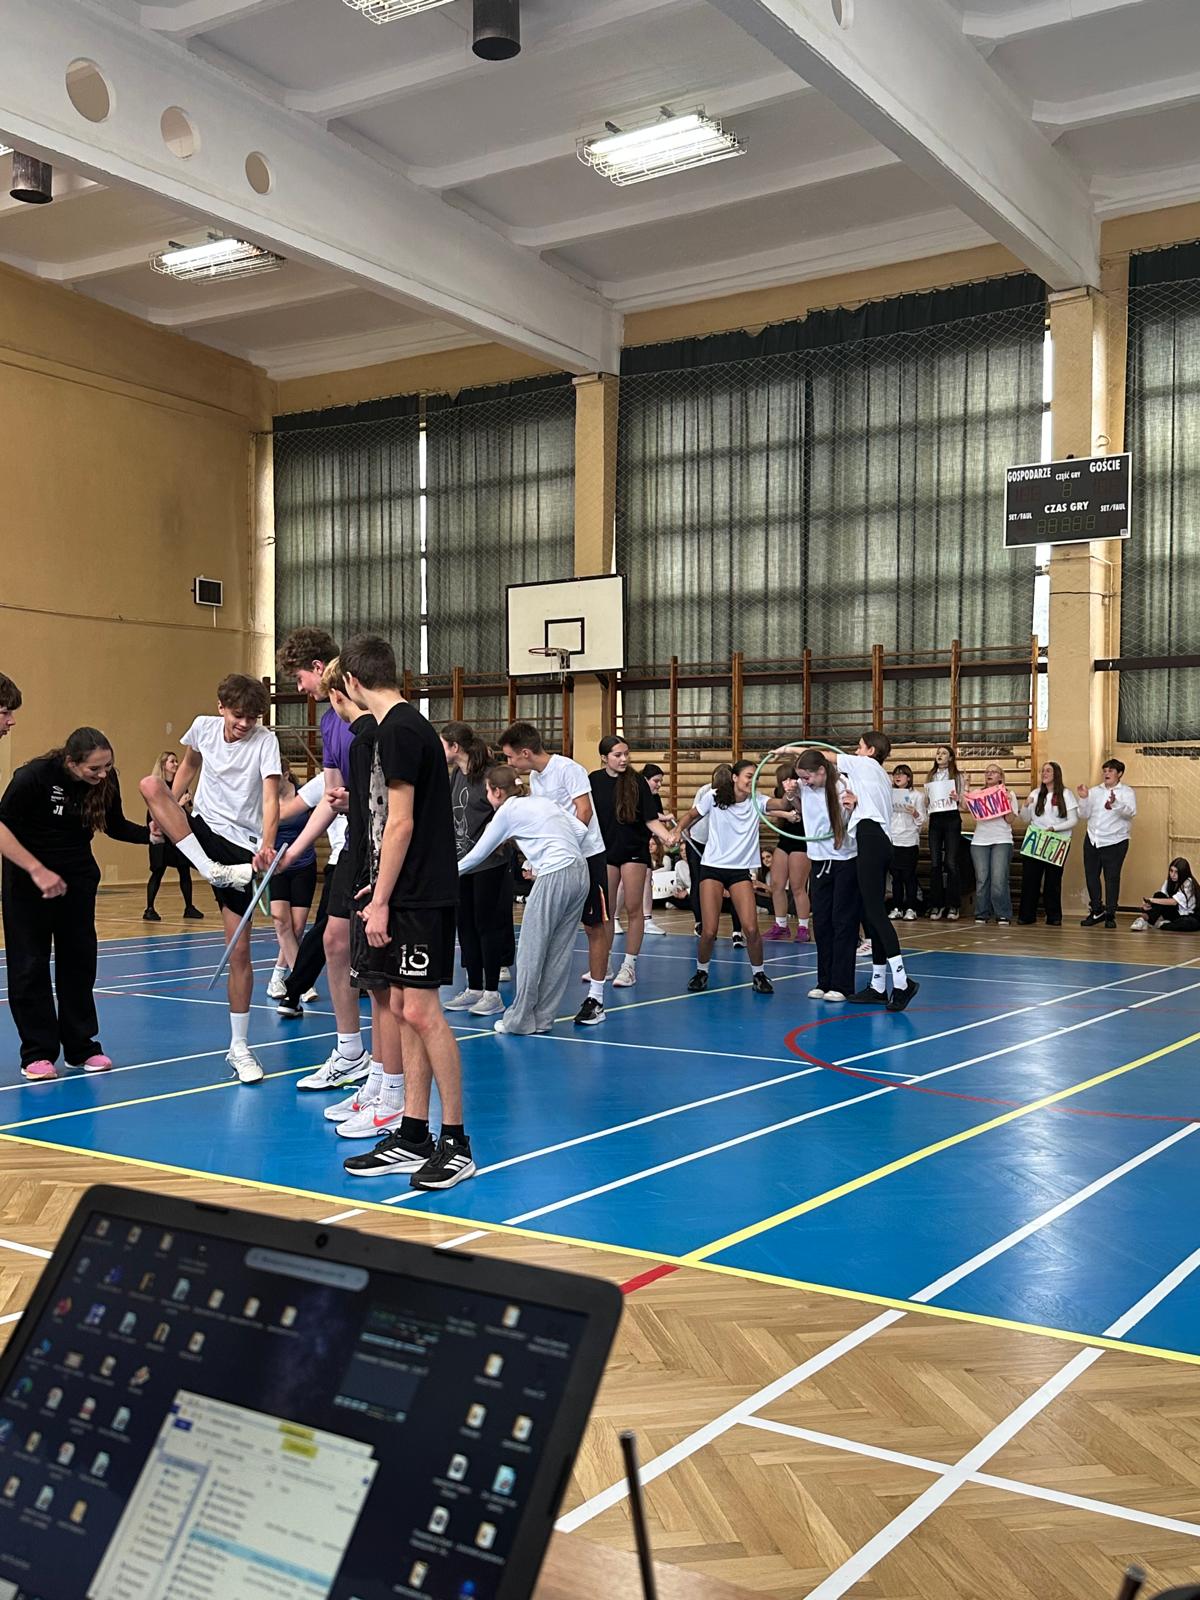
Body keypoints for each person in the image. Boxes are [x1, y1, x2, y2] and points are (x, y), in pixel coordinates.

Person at [337, 635, 475, 1190]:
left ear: (351, 681)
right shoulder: (405, 726)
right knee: (400, 1004)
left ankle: (456, 1142)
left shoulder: (397, 731)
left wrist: (380, 900)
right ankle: (414, 1134)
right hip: (407, 891)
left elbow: (400, 822)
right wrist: (381, 887)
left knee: (421, 1010)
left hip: (421, 898)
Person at [139, 674, 281, 1085]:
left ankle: (239, 1047)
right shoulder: (203, 727)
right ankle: (208, 868)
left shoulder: (265, 742)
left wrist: (267, 845)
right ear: (221, 707)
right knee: (150, 785)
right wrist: (170, 805)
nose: (245, 724)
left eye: (253, 717)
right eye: (238, 716)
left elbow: (270, 797)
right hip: (202, 829)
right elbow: (190, 764)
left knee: (239, 953)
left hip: (241, 847)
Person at [1, 729, 149, 1080]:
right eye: (94, 769)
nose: (102, 774)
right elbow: (2, 827)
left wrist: (151, 835)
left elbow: (114, 825)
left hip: (77, 880)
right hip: (28, 883)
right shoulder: (33, 777)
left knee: (79, 962)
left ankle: (81, 1047)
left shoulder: (105, 780)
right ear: (70, 762)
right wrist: (37, 870)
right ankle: (37, 1053)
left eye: (107, 766)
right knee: (29, 966)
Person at [273, 629, 369, 1091]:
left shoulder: (365, 712)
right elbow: (332, 798)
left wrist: (359, 801)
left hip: (385, 841)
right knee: (333, 940)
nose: (298, 688)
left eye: (299, 677)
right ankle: (350, 1051)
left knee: (375, 955)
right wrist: (294, 850)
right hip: (353, 843)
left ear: (317, 668)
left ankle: (389, 1076)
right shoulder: (329, 723)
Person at [458, 766, 589, 1034]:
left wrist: (445, 874)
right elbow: (580, 830)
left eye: (487, 791)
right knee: (559, 951)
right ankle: (543, 1018)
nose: (487, 796)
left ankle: (518, 1021)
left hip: (555, 874)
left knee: (531, 950)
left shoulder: (507, 811)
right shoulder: (542, 801)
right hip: (579, 871)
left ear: (497, 791)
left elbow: (478, 855)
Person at [499, 722, 610, 1028]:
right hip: (560, 862)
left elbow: (584, 811)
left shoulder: (567, 769)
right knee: (554, 933)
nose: (509, 762)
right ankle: (539, 1009)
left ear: (525, 752)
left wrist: (565, 847)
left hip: (587, 855)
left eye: (510, 756)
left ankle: (596, 998)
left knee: (593, 926)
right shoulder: (536, 778)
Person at [828, 733, 918, 1011]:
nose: (856, 751)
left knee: (876, 914)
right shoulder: (876, 775)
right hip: (879, 840)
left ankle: (902, 982)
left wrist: (788, 750)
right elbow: (868, 803)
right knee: (870, 913)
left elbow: (824, 757)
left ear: (870, 751)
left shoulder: (865, 764)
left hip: (871, 839)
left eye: (859, 747)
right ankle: (879, 985)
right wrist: (856, 804)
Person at [671, 761, 775, 995]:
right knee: (709, 931)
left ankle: (759, 974)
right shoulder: (714, 797)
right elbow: (691, 814)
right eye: (749, 775)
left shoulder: (757, 800)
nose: (753, 780)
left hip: (739, 871)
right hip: (712, 868)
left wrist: (791, 794)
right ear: (735, 777)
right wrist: (677, 830)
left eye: (756, 776)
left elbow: (779, 805)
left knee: (751, 928)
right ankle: (701, 972)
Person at [442, 720, 515, 1018]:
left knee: (487, 925)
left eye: (443, 744)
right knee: (466, 925)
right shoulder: (456, 774)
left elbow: (507, 811)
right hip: (462, 864)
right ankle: (473, 987)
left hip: (490, 863)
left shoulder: (490, 775)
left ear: (455, 746)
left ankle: (492, 992)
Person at [590, 736, 675, 989]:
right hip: (606, 851)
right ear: (604, 757)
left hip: (634, 851)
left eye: (626, 754)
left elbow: (650, 819)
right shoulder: (594, 780)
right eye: (617, 755)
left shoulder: (637, 781)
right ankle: (603, 963)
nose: (624, 759)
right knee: (606, 911)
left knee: (634, 907)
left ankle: (629, 966)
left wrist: (666, 836)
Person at [793, 749, 860, 1002]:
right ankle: (824, 980)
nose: (804, 782)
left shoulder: (843, 785)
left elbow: (857, 817)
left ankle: (842, 985)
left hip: (845, 860)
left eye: (807, 777)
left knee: (843, 922)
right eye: (801, 778)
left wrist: (854, 807)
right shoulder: (804, 786)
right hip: (819, 859)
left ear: (821, 771)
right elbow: (804, 814)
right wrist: (792, 795)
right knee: (821, 922)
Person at [266, 772, 318, 999]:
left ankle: (277, 977)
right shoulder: (265, 800)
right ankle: (302, 983)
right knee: (281, 922)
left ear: (285, 775)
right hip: (277, 868)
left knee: (296, 928)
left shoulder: (304, 796)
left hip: (304, 866)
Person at [682, 777, 745, 947]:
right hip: (700, 840)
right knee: (698, 882)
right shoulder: (707, 792)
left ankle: (737, 931)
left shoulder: (739, 794)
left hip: (725, 847)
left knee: (735, 887)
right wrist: (683, 828)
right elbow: (695, 813)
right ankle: (700, 923)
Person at [1076, 758, 1137, 928]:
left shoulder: (1127, 792)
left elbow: (1131, 813)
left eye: (1110, 771)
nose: (1106, 773)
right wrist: (1083, 799)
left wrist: (1115, 803)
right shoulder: (1094, 791)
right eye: (1104, 771)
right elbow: (1083, 815)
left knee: (1112, 878)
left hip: (1115, 840)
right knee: (1091, 876)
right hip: (1093, 839)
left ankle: (1110, 914)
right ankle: (1096, 911)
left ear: (1120, 774)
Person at [143, 751, 202, 922]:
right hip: (162, 834)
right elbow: (161, 811)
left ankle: (189, 907)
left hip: (177, 835)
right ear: (163, 765)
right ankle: (149, 908)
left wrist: (187, 806)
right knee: (158, 872)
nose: (176, 764)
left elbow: (186, 813)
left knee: (184, 870)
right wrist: (179, 804)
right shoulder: (158, 786)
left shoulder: (182, 786)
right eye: (172, 761)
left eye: (177, 761)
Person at [1019, 762, 1078, 926]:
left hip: (1056, 840)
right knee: (1030, 879)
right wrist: (1025, 806)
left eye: (1048, 771)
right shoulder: (1036, 793)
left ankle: (1053, 916)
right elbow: (1025, 818)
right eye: (1042, 771)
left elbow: (1073, 820)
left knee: (1053, 880)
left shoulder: (1066, 794)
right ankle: (1027, 915)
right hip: (1036, 839)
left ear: (1056, 774)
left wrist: (1054, 828)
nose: (1044, 773)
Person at [762, 759, 811, 943]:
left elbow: (807, 812)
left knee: (798, 887)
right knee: (777, 884)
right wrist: (786, 815)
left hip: (801, 840)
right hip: (784, 840)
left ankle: (803, 927)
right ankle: (781, 925)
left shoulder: (806, 791)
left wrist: (793, 797)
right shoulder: (778, 792)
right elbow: (768, 810)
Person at [967, 762, 1019, 927]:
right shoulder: (978, 793)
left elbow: (1010, 820)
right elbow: (965, 806)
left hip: (1002, 839)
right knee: (982, 879)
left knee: (999, 879)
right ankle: (982, 912)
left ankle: (1002, 913)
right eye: (987, 772)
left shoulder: (1009, 793)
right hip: (980, 840)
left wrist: (1007, 803)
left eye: (994, 772)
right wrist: (966, 787)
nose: (989, 774)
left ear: (1001, 777)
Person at [925, 745, 964, 920]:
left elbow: (963, 803)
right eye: (938, 753)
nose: (939, 755)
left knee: (951, 862)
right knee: (935, 863)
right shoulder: (931, 776)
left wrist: (958, 798)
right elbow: (927, 800)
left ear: (951, 758)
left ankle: (953, 904)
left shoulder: (957, 776)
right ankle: (936, 904)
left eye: (944, 753)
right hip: (935, 819)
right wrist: (927, 800)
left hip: (951, 818)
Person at [888, 764, 924, 921]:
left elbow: (922, 820)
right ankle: (897, 907)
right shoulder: (889, 794)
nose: (898, 777)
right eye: (895, 774)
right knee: (895, 876)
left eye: (902, 774)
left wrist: (914, 813)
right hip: (893, 839)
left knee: (908, 875)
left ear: (908, 778)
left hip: (909, 840)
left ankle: (911, 908)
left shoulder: (917, 796)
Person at [1131, 858, 1197, 931]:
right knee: (1159, 895)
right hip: (1174, 912)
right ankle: (1143, 920)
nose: (1173, 875)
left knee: (1188, 923)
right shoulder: (1169, 881)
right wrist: (1148, 905)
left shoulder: (1188, 882)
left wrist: (1152, 900)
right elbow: (1161, 899)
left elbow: (1174, 902)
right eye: (1171, 871)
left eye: (1176, 872)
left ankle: (1162, 924)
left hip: (1187, 915)